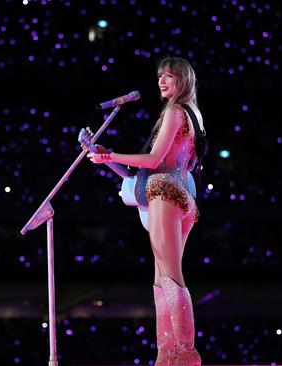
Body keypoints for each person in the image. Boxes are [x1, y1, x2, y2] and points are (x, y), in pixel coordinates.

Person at [84, 56, 206, 366]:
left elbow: (153, 161)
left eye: (170, 76)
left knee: (170, 276)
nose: (162, 81)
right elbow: (143, 172)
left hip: (165, 192)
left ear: (184, 80)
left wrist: (109, 153)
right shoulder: (194, 115)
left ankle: (184, 355)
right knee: (162, 277)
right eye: (160, 76)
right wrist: (107, 159)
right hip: (181, 197)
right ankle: (167, 353)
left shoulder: (176, 112)